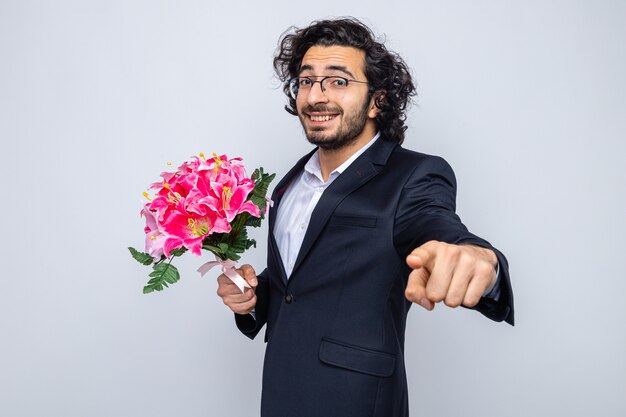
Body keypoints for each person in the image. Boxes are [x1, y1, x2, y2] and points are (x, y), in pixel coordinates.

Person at [216, 17, 514, 417]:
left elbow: (439, 227)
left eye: (338, 81)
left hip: (357, 400)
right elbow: (299, 283)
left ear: (378, 99)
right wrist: (251, 300)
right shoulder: (288, 183)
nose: (316, 96)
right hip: (280, 391)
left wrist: (478, 259)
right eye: (306, 80)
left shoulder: (414, 175)